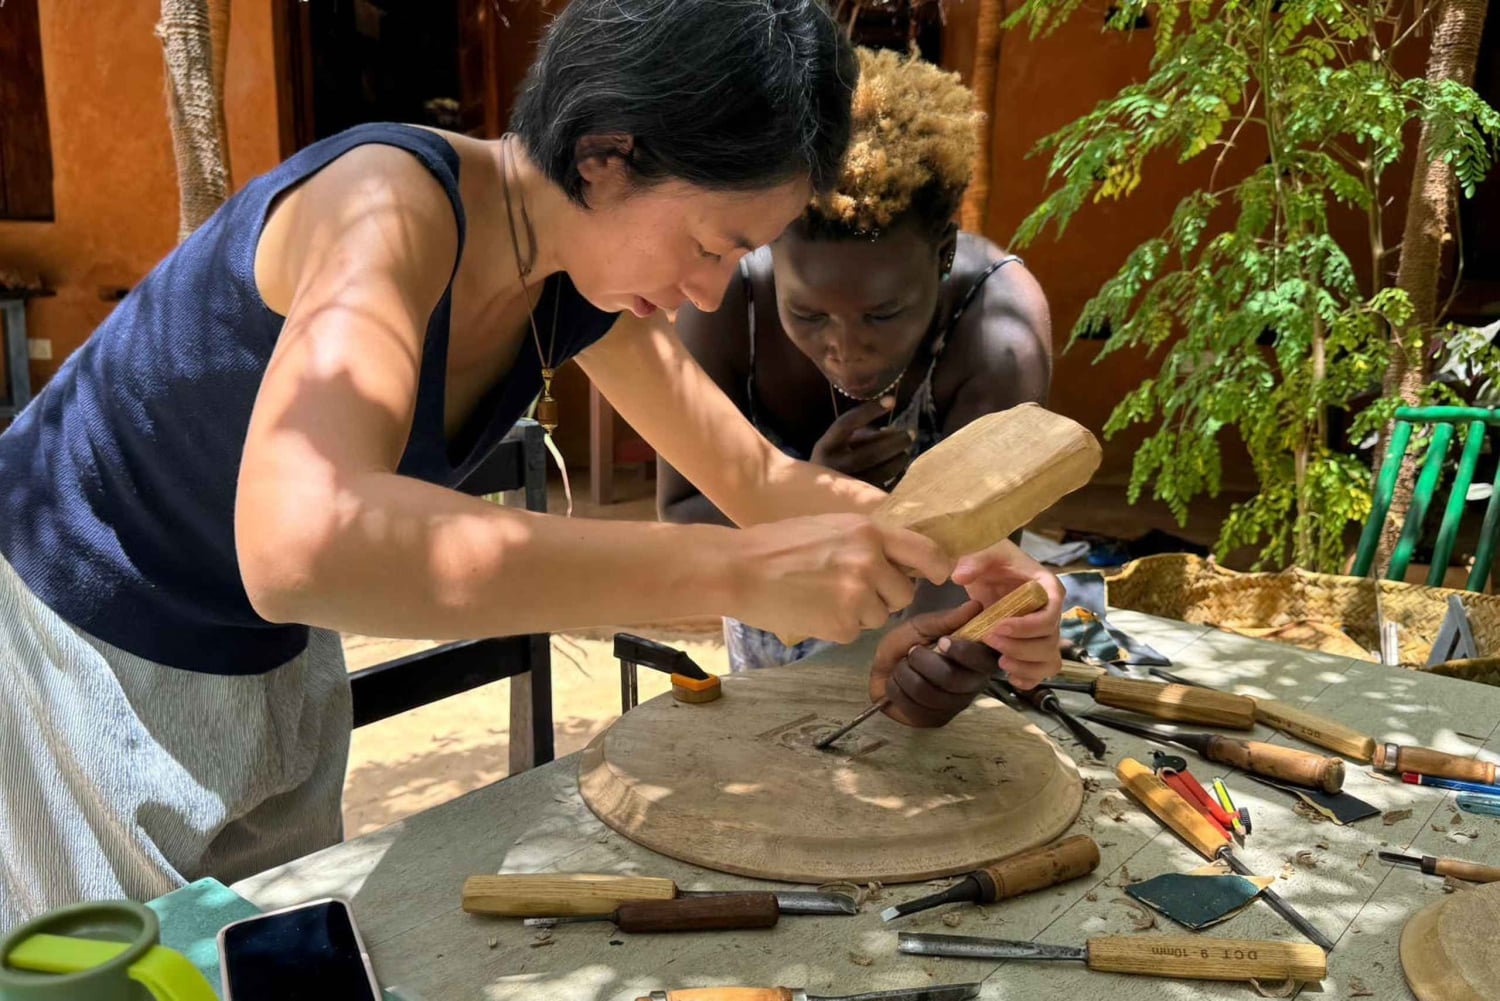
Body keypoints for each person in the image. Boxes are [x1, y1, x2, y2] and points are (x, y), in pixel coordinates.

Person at [0, 0, 1059, 932]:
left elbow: (762, 481)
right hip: (74, 639)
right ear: (605, 156)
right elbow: (300, 539)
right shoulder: (390, 205)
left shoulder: (571, 271)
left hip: (261, 651)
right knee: (123, 972)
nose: (703, 292)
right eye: (705, 240)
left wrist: (967, 547)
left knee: (262, 953)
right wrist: (732, 575)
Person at [658, 47, 1059, 685]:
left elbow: (983, 565)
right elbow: (682, 511)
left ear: (944, 254)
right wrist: (808, 494)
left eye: (883, 314)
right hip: (772, 642)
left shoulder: (996, 329)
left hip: (934, 640)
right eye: (810, 315)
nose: (847, 348)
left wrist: (932, 669)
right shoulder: (729, 306)